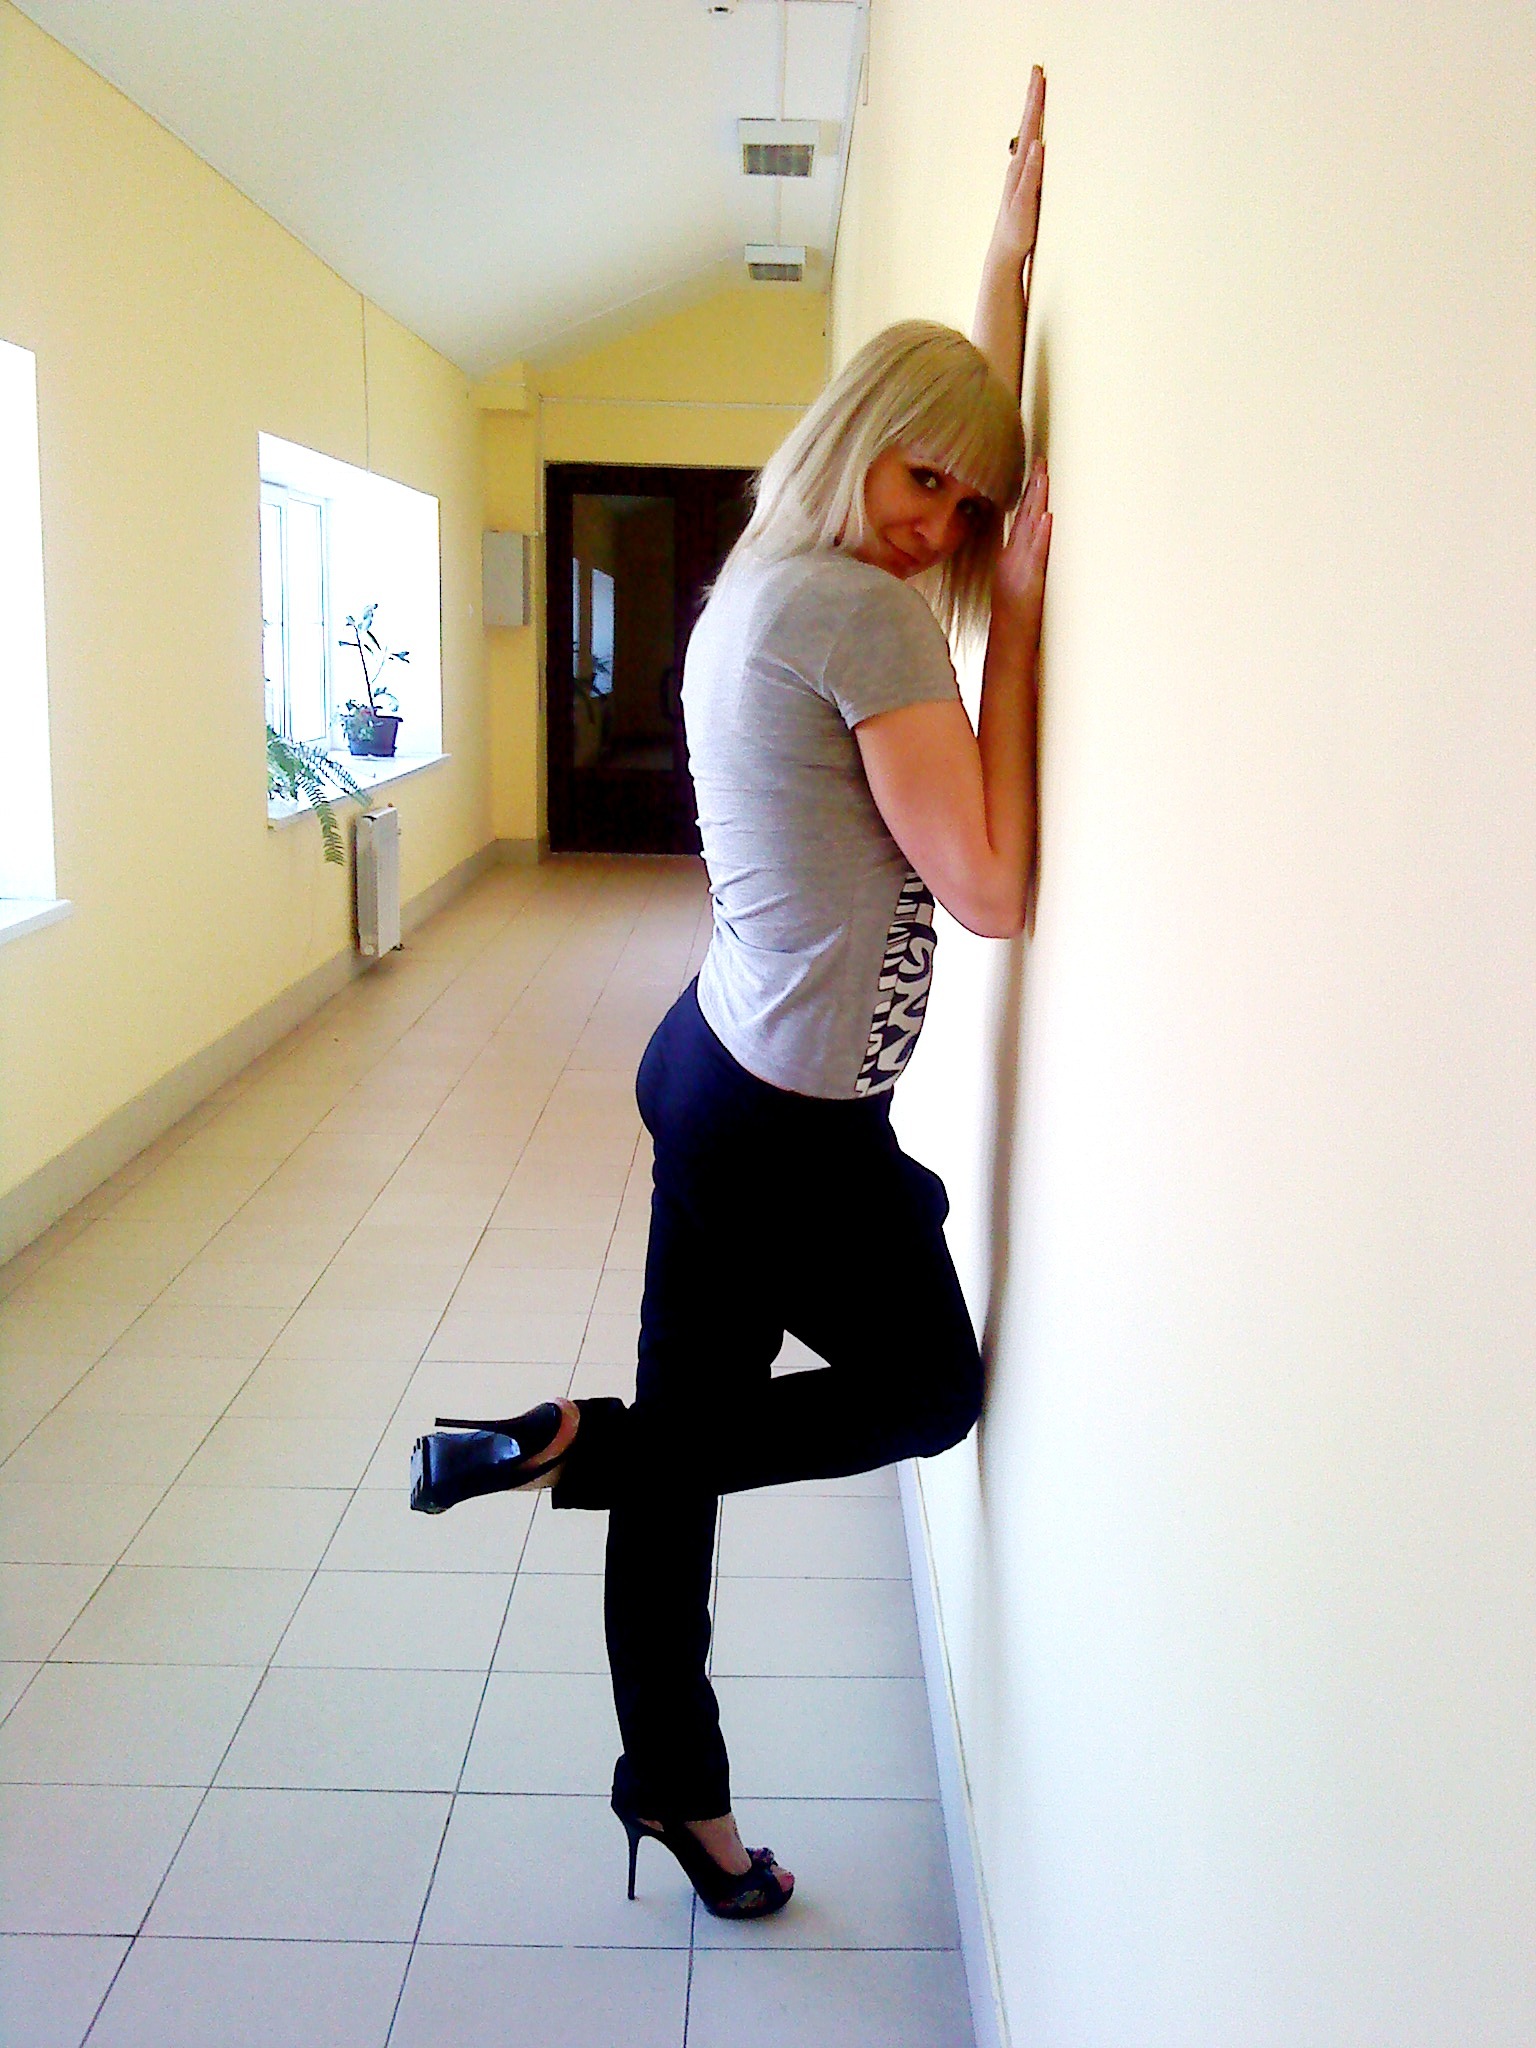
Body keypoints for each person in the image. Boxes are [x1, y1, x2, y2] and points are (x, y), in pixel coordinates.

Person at [410, 67, 1051, 1921]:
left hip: (719, 1065)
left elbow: (941, 427)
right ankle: (590, 1453)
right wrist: (1020, 614)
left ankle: (671, 1790)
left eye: (973, 501)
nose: (944, 523)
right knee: (921, 1392)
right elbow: (991, 890)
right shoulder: (864, 611)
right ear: (867, 443)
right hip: (785, 1121)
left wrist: (1007, 263)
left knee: (681, 1464)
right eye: (927, 483)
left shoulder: (780, 565)